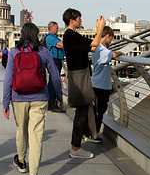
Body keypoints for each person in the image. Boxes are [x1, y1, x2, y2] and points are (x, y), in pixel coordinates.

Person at [3, 22, 63, 175]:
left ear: (21, 34)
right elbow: (55, 77)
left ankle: (21, 161)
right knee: (36, 136)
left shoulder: (14, 52)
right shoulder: (43, 51)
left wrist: (5, 102)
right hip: (40, 96)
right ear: (37, 34)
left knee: (21, 129)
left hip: (18, 97)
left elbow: (8, 79)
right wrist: (58, 96)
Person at [62, 8, 105, 159]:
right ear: (71, 20)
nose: (81, 20)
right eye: (79, 18)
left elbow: (93, 48)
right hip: (79, 77)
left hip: (80, 75)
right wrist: (100, 28)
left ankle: (79, 143)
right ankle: (76, 148)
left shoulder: (71, 36)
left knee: (84, 109)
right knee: (82, 111)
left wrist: (98, 34)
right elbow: (95, 43)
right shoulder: (70, 35)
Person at [91, 26, 123, 141]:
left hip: (95, 83)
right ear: (108, 36)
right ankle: (94, 135)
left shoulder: (96, 47)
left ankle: (91, 133)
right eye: (111, 39)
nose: (111, 41)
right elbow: (113, 55)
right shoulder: (101, 49)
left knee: (96, 110)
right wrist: (120, 52)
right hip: (101, 85)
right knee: (100, 111)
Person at [45, 21, 65, 112]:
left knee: (54, 81)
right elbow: (61, 45)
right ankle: (52, 103)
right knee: (54, 82)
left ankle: (53, 102)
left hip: (57, 60)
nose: (58, 30)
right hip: (54, 60)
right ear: (51, 28)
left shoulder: (54, 38)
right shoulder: (50, 38)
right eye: (56, 28)